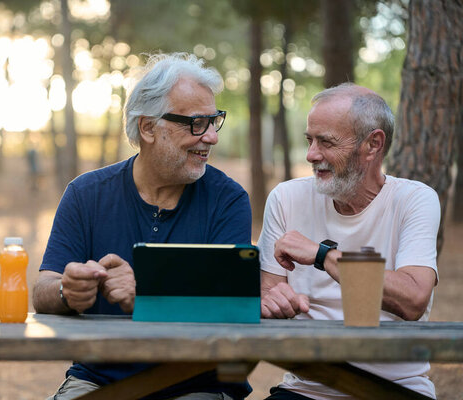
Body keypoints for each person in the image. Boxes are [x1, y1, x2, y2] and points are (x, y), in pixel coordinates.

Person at [33, 53, 253, 400]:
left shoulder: (228, 200)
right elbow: (44, 288)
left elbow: (233, 308)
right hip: (99, 381)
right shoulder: (86, 194)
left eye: (214, 122)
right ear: (148, 128)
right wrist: (67, 291)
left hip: (197, 385)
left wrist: (147, 296)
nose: (211, 137)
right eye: (196, 124)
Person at [257, 83, 439, 400]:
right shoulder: (286, 198)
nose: (311, 154)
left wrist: (323, 255)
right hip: (306, 388)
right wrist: (273, 301)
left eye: (326, 142)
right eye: (309, 140)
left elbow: (413, 300)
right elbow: (268, 292)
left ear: (373, 145)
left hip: (397, 389)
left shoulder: (414, 199)